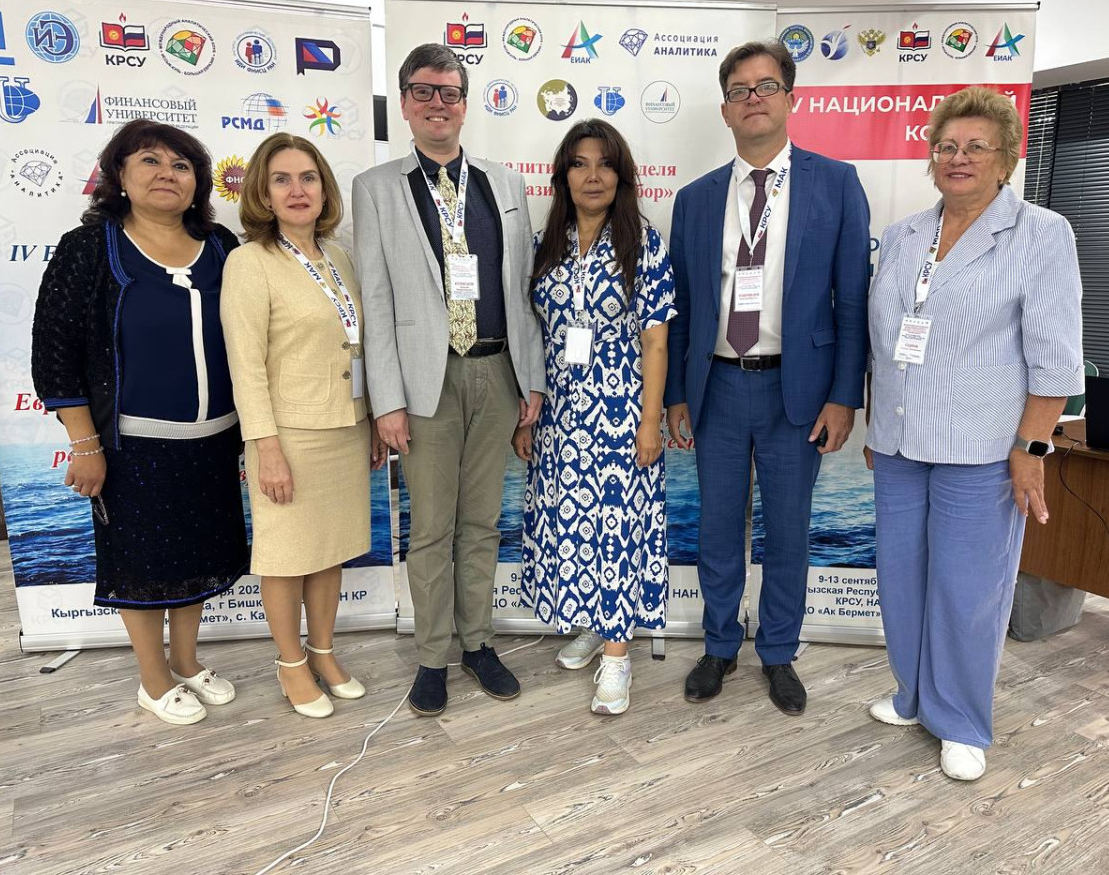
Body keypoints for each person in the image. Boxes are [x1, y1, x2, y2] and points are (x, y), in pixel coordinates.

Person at [864, 86, 1083, 780]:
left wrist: (1031, 448)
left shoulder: (1041, 234)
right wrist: (879, 422)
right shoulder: (905, 234)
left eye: (975, 147)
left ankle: (960, 720)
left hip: (982, 448)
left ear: (1007, 158)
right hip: (899, 442)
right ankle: (913, 694)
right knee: (902, 580)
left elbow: (1055, 359)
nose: (957, 158)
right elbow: (885, 340)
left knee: (968, 589)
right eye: (946, 146)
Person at [664, 40, 870, 714]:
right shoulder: (695, 200)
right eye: (739, 90)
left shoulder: (835, 184)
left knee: (787, 531)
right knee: (718, 528)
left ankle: (779, 651)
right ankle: (720, 644)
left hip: (798, 391)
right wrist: (675, 396)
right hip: (718, 387)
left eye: (766, 86)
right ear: (725, 110)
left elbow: (852, 301)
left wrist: (844, 397)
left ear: (790, 98)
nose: (753, 98)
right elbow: (682, 305)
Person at [32, 119, 248, 725]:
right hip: (132, 446)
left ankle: (186, 661)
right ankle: (153, 680)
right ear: (119, 175)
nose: (166, 174)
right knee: (142, 564)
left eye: (181, 165)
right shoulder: (89, 248)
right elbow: (54, 352)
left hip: (214, 440)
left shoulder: (222, 245)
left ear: (197, 182)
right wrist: (85, 444)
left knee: (197, 555)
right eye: (150, 161)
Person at [352, 43, 545, 717]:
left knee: (482, 523)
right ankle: (433, 656)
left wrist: (532, 380)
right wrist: (387, 401)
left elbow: (522, 290)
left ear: (465, 105)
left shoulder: (505, 184)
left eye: (450, 92)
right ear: (405, 103)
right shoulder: (377, 188)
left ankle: (478, 643)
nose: (438, 103)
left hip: (497, 371)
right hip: (423, 383)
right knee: (432, 528)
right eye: (424, 91)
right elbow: (376, 301)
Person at [513, 120, 676, 715]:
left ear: (621, 175)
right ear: (563, 175)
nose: (593, 176)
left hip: (619, 414)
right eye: (580, 164)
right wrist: (528, 415)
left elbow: (656, 341)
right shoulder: (545, 244)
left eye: (605, 164)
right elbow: (531, 334)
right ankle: (593, 621)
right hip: (559, 415)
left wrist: (650, 422)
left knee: (615, 530)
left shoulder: (643, 242)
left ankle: (617, 656)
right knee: (569, 527)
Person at [222, 134, 383, 719]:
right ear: (263, 194)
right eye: (282, 179)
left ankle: (323, 651)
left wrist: (370, 420)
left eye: (308, 178)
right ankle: (291, 663)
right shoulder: (249, 263)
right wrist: (265, 447)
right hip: (288, 436)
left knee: (329, 550)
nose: (298, 190)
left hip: (345, 425)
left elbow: (358, 347)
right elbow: (246, 366)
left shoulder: (339, 258)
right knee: (287, 554)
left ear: (324, 189)